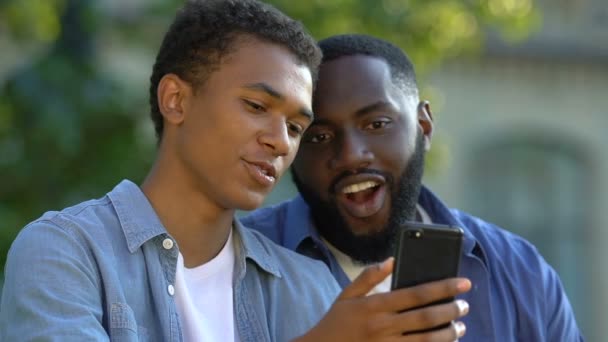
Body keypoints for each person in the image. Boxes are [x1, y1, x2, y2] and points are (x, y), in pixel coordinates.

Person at [0, 2, 473, 341]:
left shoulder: (309, 288)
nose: (280, 140)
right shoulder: (66, 253)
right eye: (255, 105)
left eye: (295, 125)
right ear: (176, 100)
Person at [242, 33, 585, 341]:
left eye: (377, 123)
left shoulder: (520, 271)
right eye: (320, 136)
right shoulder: (236, 262)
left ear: (424, 126)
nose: (350, 156)